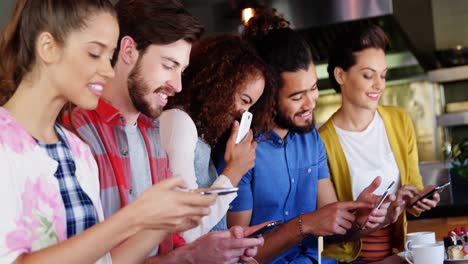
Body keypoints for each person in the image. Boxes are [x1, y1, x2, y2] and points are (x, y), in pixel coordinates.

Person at [0, 0, 215, 263]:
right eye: (94, 53)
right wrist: (136, 217)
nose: (107, 69)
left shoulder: (77, 151)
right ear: (48, 47)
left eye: (109, 54)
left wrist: (161, 222)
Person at [71, 0, 264, 263]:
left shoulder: (153, 133)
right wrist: (191, 256)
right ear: (128, 50)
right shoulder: (78, 133)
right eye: (169, 65)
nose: (177, 85)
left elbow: (171, 240)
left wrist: (214, 249)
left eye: (181, 71)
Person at [218, 10, 392, 264]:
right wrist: (305, 224)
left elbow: (333, 229)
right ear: (268, 96)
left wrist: (360, 218)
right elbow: (237, 257)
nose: (310, 103)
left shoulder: (309, 138)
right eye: (297, 96)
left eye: (314, 89)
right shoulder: (240, 149)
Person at [319, 24, 440, 263]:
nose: (379, 84)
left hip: (396, 254)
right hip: (348, 259)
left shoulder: (400, 120)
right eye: (368, 75)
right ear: (341, 75)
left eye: (383, 75)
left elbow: (412, 189)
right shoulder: (322, 141)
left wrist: (417, 198)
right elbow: (329, 228)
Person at [160, 34, 274, 243]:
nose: (244, 113)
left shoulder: (199, 131)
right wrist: (234, 171)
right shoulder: (178, 122)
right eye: (244, 100)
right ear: (220, 84)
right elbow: (186, 229)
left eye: (251, 107)